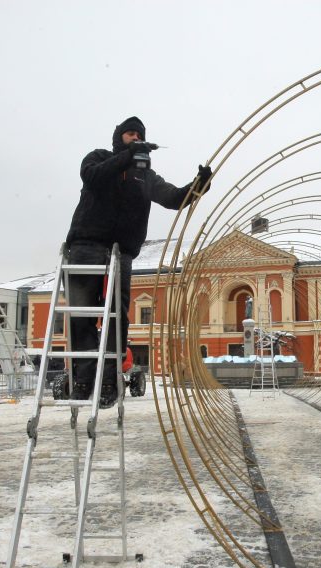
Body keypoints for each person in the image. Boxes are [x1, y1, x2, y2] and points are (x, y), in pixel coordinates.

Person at [64, 116, 211, 407]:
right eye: (130, 134)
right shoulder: (99, 158)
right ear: (119, 137)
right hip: (87, 243)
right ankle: (83, 379)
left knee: (116, 317)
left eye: (138, 135)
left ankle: (108, 380)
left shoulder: (145, 176)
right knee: (80, 315)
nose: (135, 138)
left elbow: (174, 199)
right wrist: (127, 157)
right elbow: (92, 177)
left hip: (121, 251)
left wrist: (200, 184)